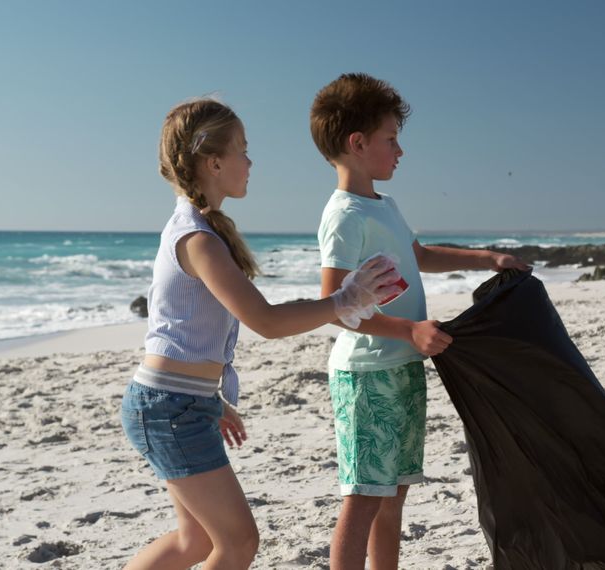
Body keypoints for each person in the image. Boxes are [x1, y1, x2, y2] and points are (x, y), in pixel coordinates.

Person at [120, 97, 403, 570]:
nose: (250, 163)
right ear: (214, 162)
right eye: (243, 151)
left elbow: (192, 331)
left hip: (180, 403)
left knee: (196, 543)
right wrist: (342, 301)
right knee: (237, 544)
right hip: (168, 408)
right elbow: (265, 321)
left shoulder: (203, 230)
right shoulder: (198, 239)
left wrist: (214, 399)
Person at [310, 73, 528, 569]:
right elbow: (335, 303)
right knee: (364, 495)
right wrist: (408, 329)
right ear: (358, 143)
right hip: (366, 375)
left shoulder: (383, 205)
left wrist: (487, 258)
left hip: (402, 366)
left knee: (393, 496)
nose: (400, 151)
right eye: (391, 140)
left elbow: (421, 255)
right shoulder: (344, 215)